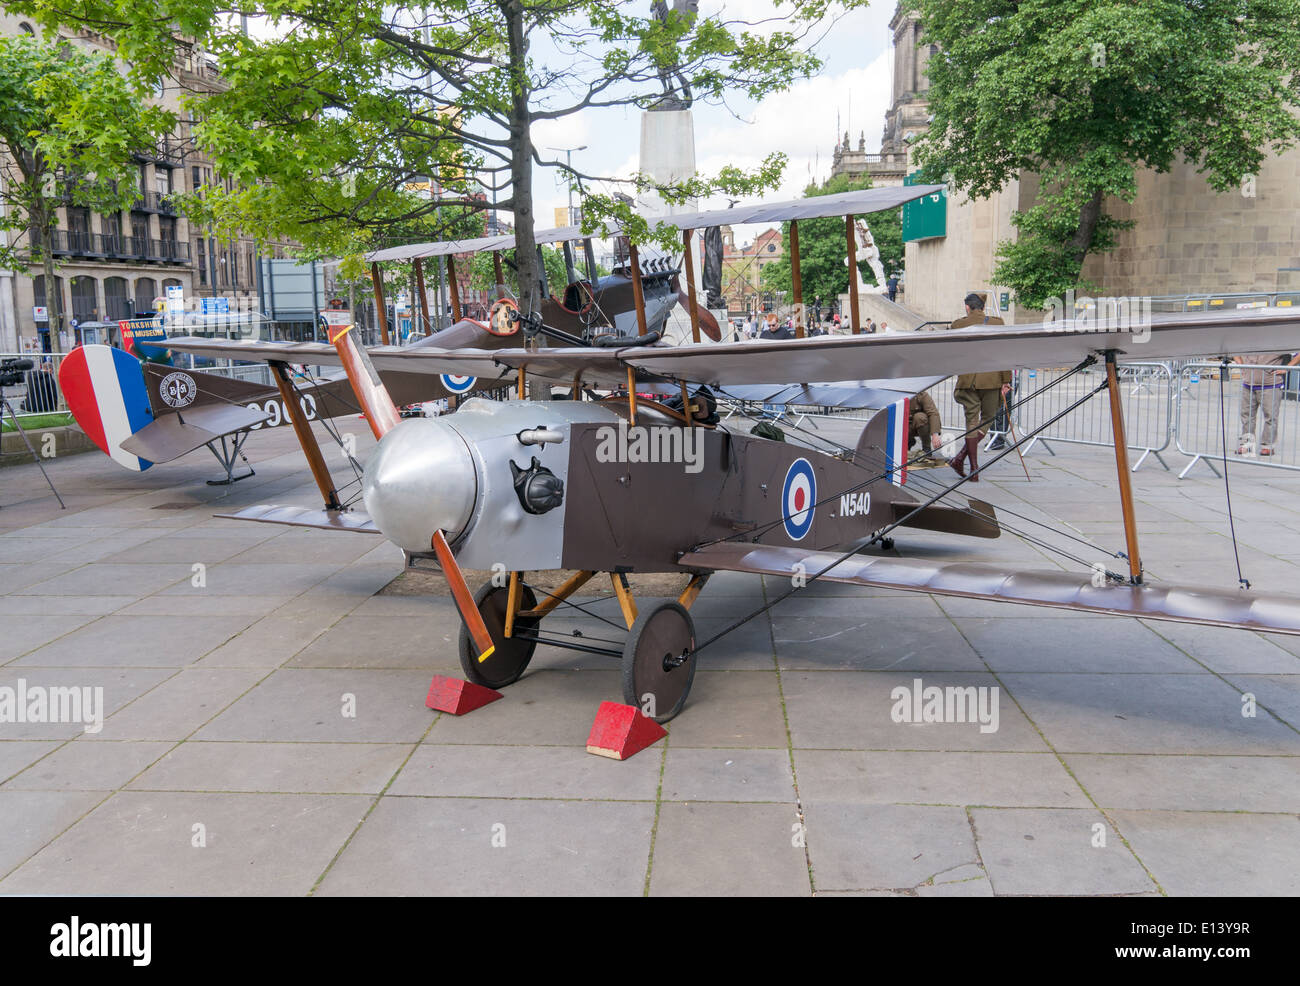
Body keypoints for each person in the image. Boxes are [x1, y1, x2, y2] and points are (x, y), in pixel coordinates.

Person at [948, 292, 1009, 482]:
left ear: (967, 307)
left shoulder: (958, 324)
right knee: (988, 418)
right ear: (983, 307)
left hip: (968, 380)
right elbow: (1003, 353)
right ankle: (967, 463)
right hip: (992, 379)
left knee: (971, 421)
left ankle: (968, 465)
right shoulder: (998, 323)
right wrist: (1006, 380)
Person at [1235, 352, 1299, 455]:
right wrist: (1240, 364)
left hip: (1270, 385)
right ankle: (1247, 445)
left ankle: (1268, 446)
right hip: (1248, 384)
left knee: (1270, 417)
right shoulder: (1247, 339)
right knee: (1247, 416)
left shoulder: (1277, 342)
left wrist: (1287, 368)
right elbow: (1234, 349)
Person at [909, 389, 944, 465]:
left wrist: (935, 434)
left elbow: (933, 413)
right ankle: (908, 442)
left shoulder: (921, 394)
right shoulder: (893, 392)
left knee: (920, 417)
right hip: (899, 427)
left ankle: (926, 449)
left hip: (914, 425)